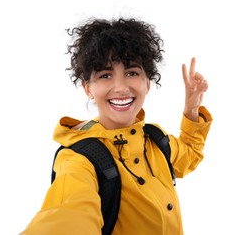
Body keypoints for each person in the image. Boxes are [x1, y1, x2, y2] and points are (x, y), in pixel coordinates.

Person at [21, 17, 212, 235]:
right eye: (105, 75)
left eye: (132, 72)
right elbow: (67, 215)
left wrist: (191, 110)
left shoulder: (154, 138)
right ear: (88, 88)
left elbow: (189, 156)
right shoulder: (80, 160)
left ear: (148, 82)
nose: (120, 87)